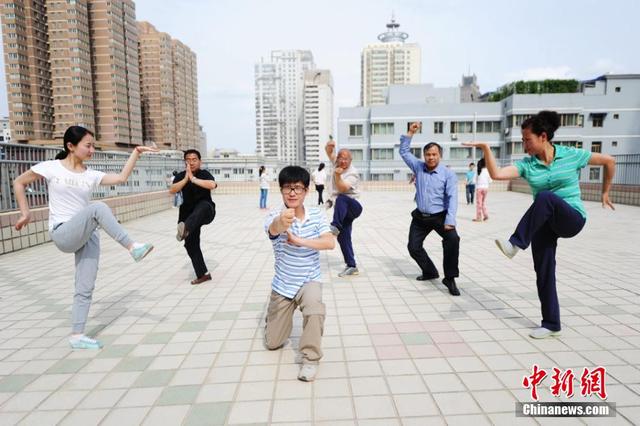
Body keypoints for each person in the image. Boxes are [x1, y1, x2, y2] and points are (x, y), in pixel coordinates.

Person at [463, 110, 616, 339]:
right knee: (543, 271)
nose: (524, 145)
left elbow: (609, 161)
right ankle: (551, 323)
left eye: (527, 140)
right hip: (544, 222)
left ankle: (515, 243)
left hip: (571, 217)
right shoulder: (528, 165)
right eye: (523, 140)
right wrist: (485, 148)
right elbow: (497, 174)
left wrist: (605, 192)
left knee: (545, 197)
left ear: (543, 137)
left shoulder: (571, 155)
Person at [12, 126, 156, 349]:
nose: (92, 150)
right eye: (88, 145)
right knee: (97, 207)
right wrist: (25, 212)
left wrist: (136, 152)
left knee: (85, 286)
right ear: (71, 146)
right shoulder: (51, 168)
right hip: (63, 232)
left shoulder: (91, 174)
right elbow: (19, 182)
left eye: (93, 145)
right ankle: (132, 247)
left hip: (87, 235)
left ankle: (77, 335)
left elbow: (121, 178)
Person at [264, 166, 335, 382]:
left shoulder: (316, 215)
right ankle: (276, 319)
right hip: (283, 284)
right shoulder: (274, 216)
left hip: (309, 280)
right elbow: (274, 229)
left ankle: (310, 359)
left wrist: (299, 241)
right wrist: (282, 222)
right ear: (281, 190)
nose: (292, 193)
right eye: (287, 188)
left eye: (297, 188)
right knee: (273, 343)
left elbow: (329, 242)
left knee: (315, 309)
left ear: (306, 190)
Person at [400, 122, 461, 296]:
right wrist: (410, 132)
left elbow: (452, 198)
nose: (431, 157)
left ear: (439, 155)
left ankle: (450, 278)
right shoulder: (418, 167)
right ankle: (430, 271)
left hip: (440, 216)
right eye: (428, 154)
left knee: (453, 240)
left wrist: (450, 220)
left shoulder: (448, 174)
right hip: (420, 217)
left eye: (434, 154)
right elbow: (404, 152)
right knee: (413, 247)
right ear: (424, 156)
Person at [170, 149, 218, 285]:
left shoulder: (204, 173)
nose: (191, 162)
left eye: (194, 159)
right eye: (188, 160)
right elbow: (172, 190)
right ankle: (203, 274)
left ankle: (185, 228)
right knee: (191, 244)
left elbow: (212, 185)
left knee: (202, 206)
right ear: (185, 162)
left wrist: (193, 179)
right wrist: (186, 178)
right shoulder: (180, 176)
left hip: (206, 211)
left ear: (200, 161)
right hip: (188, 215)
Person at [325, 139, 363, 277]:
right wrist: (329, 146)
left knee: (341, 198)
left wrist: (337, 175)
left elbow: (342, 188)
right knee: (344, 237)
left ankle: (335, 226)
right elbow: (329, 153)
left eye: (346, 159)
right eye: (340, 158)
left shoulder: (353, 173)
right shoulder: (337, 163)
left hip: (353, 207)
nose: (342, 161)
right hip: (343, 211)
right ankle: (351, 266)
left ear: (350, 160)